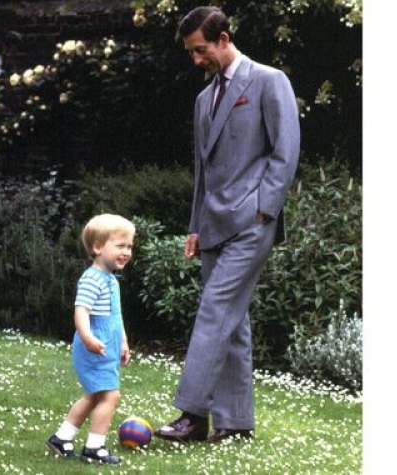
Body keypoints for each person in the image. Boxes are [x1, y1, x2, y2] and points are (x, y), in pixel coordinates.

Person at [153, 6, 300, 444]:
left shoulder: (270, 81)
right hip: (213, 226)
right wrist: (196, 226)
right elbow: (204, 171)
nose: (197, 60)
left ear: (223, 38)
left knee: (215, 311)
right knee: (232, 323)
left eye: (201, 50)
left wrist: (264, 210)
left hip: (252, 223)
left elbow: (285, 151)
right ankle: (235, 424)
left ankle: (193, 415)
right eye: (191, 53)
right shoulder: (204, 99)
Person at [46, 214, 135, 465]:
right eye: (120, 245)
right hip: (94, 346)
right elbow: (81, 311)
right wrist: (88, 338)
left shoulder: (111, 280)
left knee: (94, 395)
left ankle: (62, 438)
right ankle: (94, 447)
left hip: (107, 344)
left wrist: (123, 342)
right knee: (110, 396)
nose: (126, 251)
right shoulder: (92, 279)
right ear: (97, 247)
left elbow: (115, 317)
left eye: (129, 246)